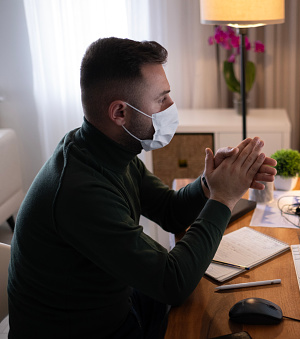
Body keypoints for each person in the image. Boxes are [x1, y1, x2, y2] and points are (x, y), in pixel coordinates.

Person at [7, 37, 277, 338]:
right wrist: (223, 198)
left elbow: (170, 211)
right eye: (161, 99)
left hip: (115, 305)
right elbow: (173, 284)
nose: (172, 106)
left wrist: (209, 183)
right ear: (120, 113)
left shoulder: (105, 148)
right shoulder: (79, 190)